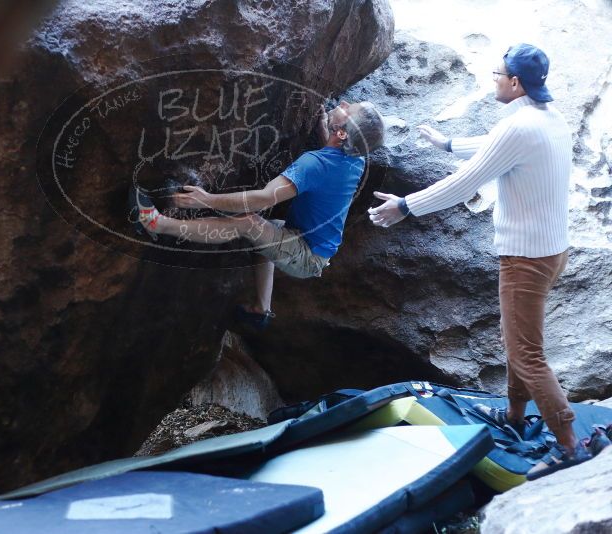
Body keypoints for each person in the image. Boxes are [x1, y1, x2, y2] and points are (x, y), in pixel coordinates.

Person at [367, 43, 591, 480]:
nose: (493, 75)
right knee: (518, 344)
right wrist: (449, 142)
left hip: (526, 259)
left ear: (515, 83)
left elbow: (467, 180)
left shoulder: (520, 127)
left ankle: (568, 443)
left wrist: (406, 206)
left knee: (526, 352)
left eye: (499, 72)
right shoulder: (547, 119)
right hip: (550, 251)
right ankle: (513, 414)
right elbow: (499, 145)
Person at [130, 100, 385, 328]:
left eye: (347, 110)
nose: (342, 103)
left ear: (341, 133)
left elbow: (264, 196)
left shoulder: (315, 165)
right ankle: (261, 310)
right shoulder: (356, 159)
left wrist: (206, 199)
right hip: (315, 244)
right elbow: (331, 159)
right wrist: (324, 129)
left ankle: (155, 223)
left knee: (249, 223)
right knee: (267, 231)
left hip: (307, 255)